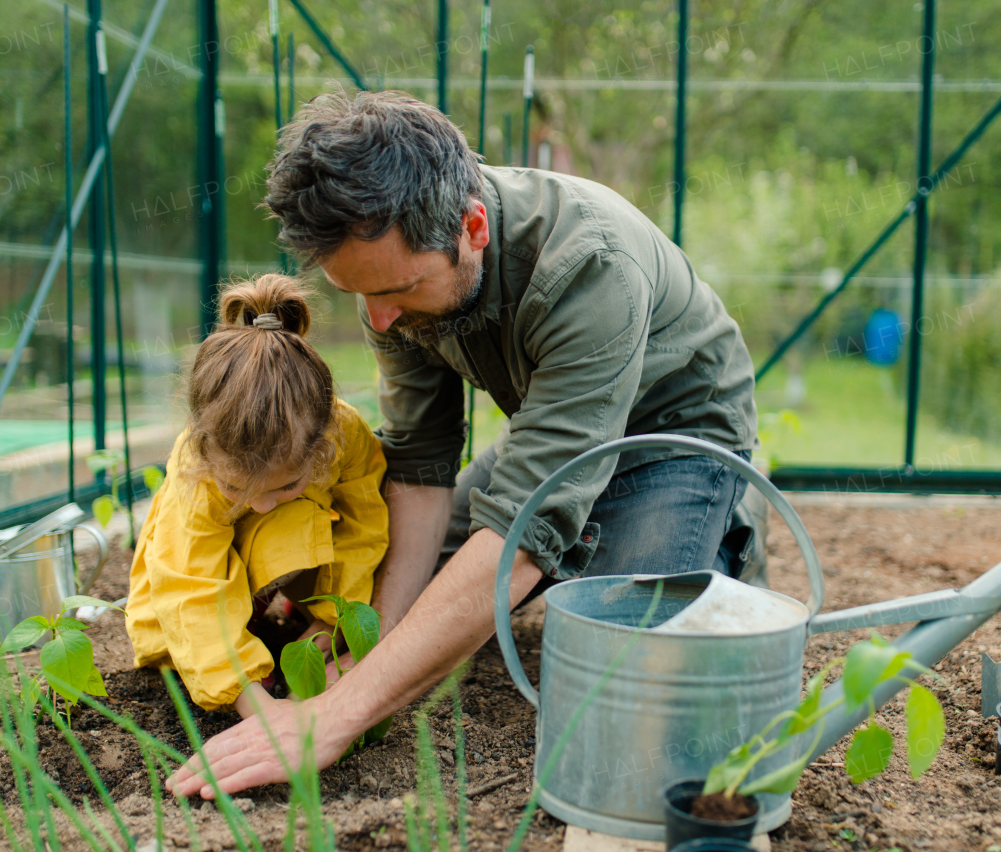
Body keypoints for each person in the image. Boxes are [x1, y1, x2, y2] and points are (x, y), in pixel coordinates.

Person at [166, 90, 757, 797]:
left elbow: (521, 534)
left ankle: (718, 543)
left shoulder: (587, 268)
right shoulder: (389, 278)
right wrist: (366, 654)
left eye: (398, 290)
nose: (380, 319)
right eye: (360, 296)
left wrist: (335, 717)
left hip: (674, 440)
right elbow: (420, 464)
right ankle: (588, 551)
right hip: (557, 434)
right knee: (389, 563)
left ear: (473, 227)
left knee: (619, 671)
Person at [126, 274, 389, 718]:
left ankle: (279, 610)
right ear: (205, 453)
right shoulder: (195, 469)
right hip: (190, 578)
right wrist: (255, 704)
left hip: (275, 561)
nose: (262, 503)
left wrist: (330, 621)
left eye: (286, 484)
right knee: (169, 634)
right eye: (235, 488)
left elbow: (363, 531)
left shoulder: (343, 433)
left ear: (321, 444)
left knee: (301, 517)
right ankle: (239, 643)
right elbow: (190, 587)